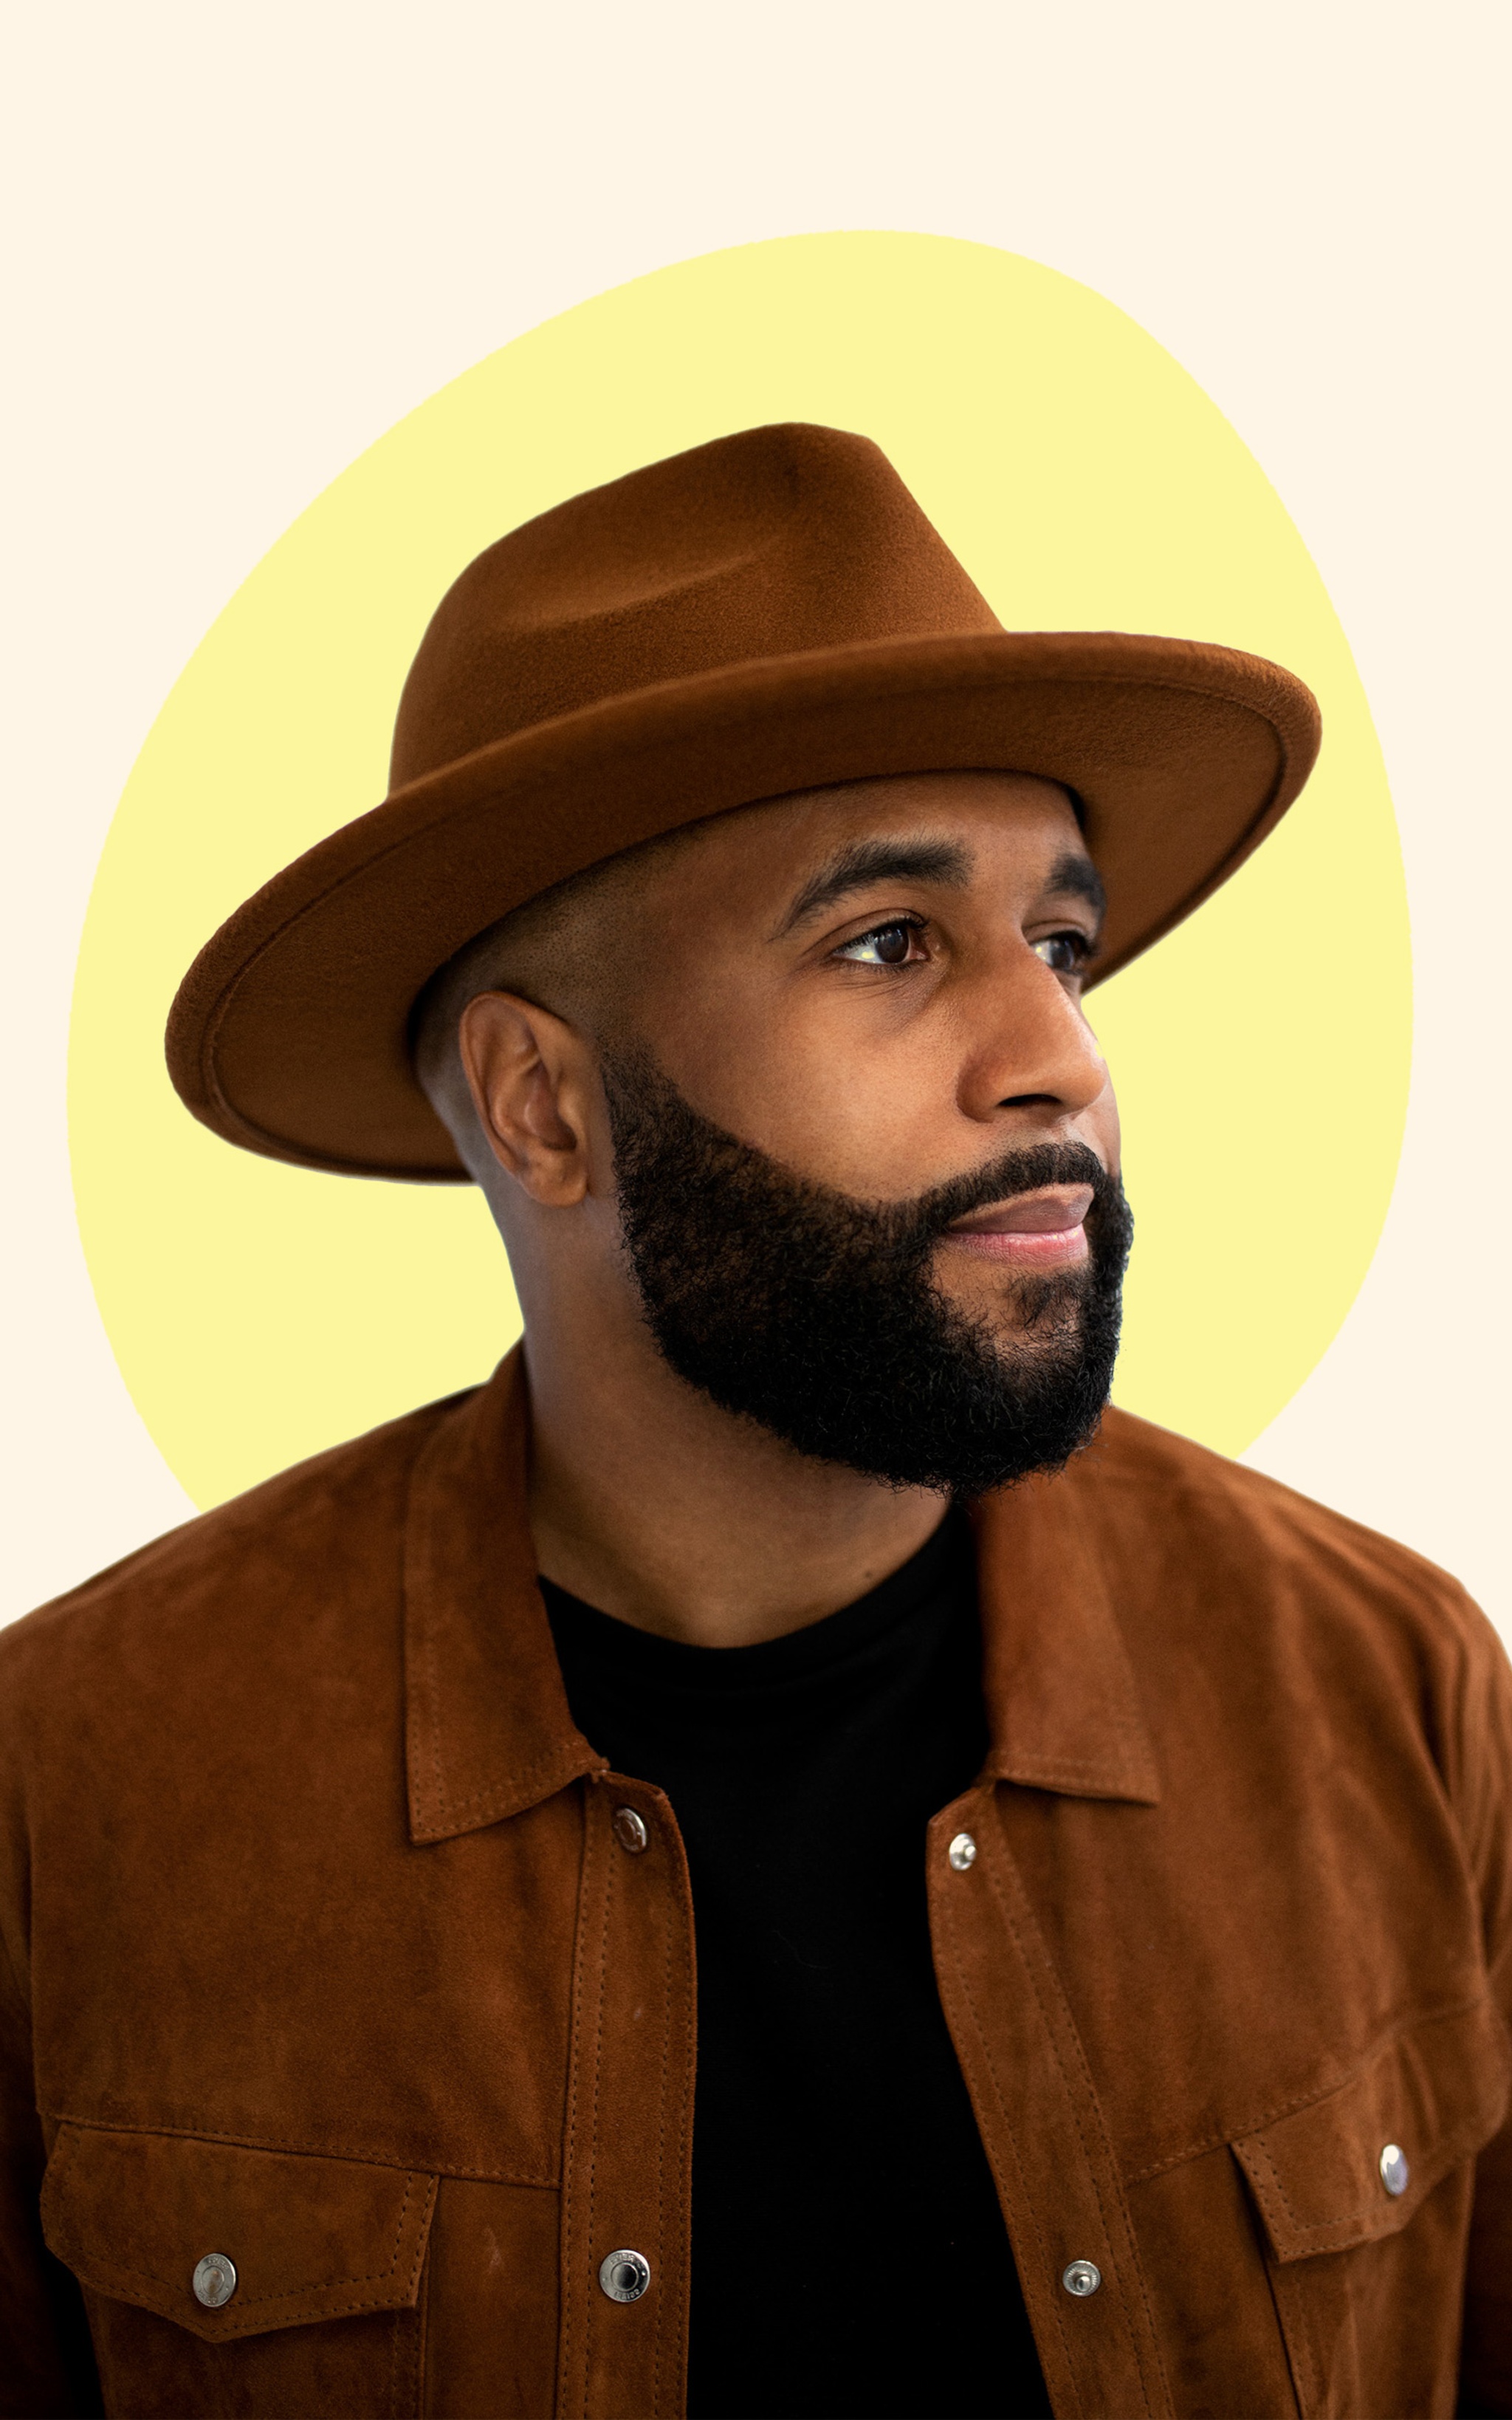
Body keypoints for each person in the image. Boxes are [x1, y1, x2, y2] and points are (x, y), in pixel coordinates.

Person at [1, 423, 1507, 2420]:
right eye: (890, 945)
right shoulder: (78, 1785)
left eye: (1063, 944)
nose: (1059, 1055)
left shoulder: (1385, 1689)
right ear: (544, 1105)